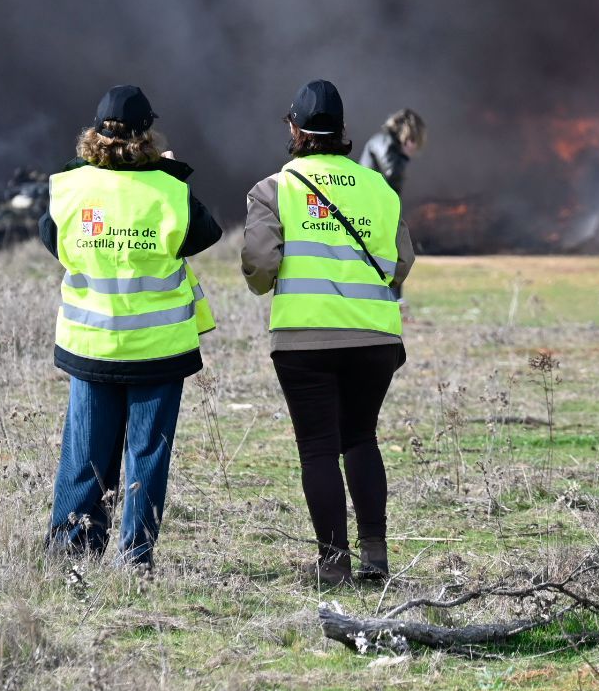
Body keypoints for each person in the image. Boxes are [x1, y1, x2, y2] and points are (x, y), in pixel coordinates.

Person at [242, 80, 415, 584]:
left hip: (305, 341)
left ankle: (334, 563)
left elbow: (258, 263)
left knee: (318, 448)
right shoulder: (378, 187)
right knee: (361, 437)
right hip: (375, 339)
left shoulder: (273, 189)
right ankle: (376, 557)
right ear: (342, 131)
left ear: (294, 129)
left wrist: (264, 282)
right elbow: (402, 261)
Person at [40, 84, 220, 566]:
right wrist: (166, 169)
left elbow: (51, 239)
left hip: (92, 345)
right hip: (158, 352)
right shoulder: (169, 190)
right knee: (147, 457)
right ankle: (135, 557)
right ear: (147, 135)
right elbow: (206, 232)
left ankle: (73, 550)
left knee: (85, 454)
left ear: (94, 133)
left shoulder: (71, 187)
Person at [358, 108, 427, 195]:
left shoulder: (383, 141)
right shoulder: (388, 146)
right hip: (368, 199)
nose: (414, 147)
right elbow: (393, 177)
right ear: (406, 134)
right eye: (413, 139)